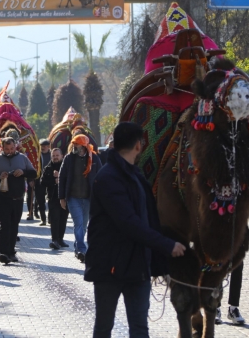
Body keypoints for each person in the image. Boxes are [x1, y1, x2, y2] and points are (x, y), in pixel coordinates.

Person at [85, 122, 186, 338]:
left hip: (138, 265)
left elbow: (148, 219)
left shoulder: (136, 175)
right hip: (109, 267)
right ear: (139, 146)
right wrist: (167, 245)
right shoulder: (107, 177)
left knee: (140, 328)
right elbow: (129, 223)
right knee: (104, 326)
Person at [0, 137, 37, 264]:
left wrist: (23, 172)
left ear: (15, 147)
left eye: (12, 148)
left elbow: (34, 173)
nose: (9, 151)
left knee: (14, 226)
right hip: (3, 198)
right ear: (2, 148)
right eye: (7, 149)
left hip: (18, 198)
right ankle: (3, 253)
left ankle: (11, 252)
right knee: (5, 225)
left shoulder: (22, 158)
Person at [59, 134, 103, 263]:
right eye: (73, 143)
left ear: (83, 145)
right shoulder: (69, 159)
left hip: (89, 198)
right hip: (73, 198)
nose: (74, 146)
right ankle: (82, 250)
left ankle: (78, 247)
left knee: (84, 226)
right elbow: (62, 178)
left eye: (76, 144)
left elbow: (101, 177)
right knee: (78, 224)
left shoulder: (94, 158)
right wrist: (62, 197)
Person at [41, 148, 69, 250]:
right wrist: (54, 180)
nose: (55, 157)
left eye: (57, 155)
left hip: (65, 198)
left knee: (63, 218)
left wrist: (60, 178)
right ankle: (55, 240)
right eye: (53, 156)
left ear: (62, 156)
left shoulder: (66, 167)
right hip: (53, 198)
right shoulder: (48, 168)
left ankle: (61, 239)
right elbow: (42, 182)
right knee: (55, 219)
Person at [34, 139, 52, 226]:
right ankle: (43, 219)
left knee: (51, 200)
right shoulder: (37, 155)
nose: (43, 147)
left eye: (45, 146)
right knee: (40, 200)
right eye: (42, 146)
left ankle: (50, 218)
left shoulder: (53, 154)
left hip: (50, 180)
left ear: (49, 146)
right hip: (39, 180)